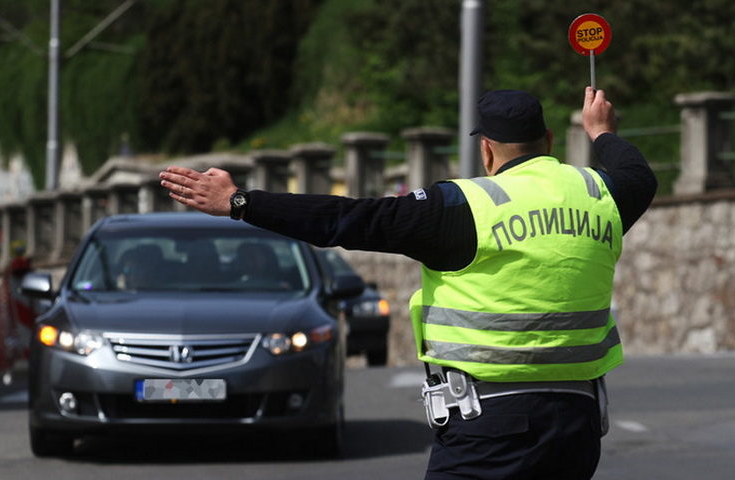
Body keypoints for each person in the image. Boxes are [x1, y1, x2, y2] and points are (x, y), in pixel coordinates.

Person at [159, 87, 657, 479]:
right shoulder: (600, 195)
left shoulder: (462, 208)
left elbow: (345, 219)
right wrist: (602, 134)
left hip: (488, 428)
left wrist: (241, 202)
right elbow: (638, 174)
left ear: (486, 149)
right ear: (548, 141)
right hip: (576, 425)